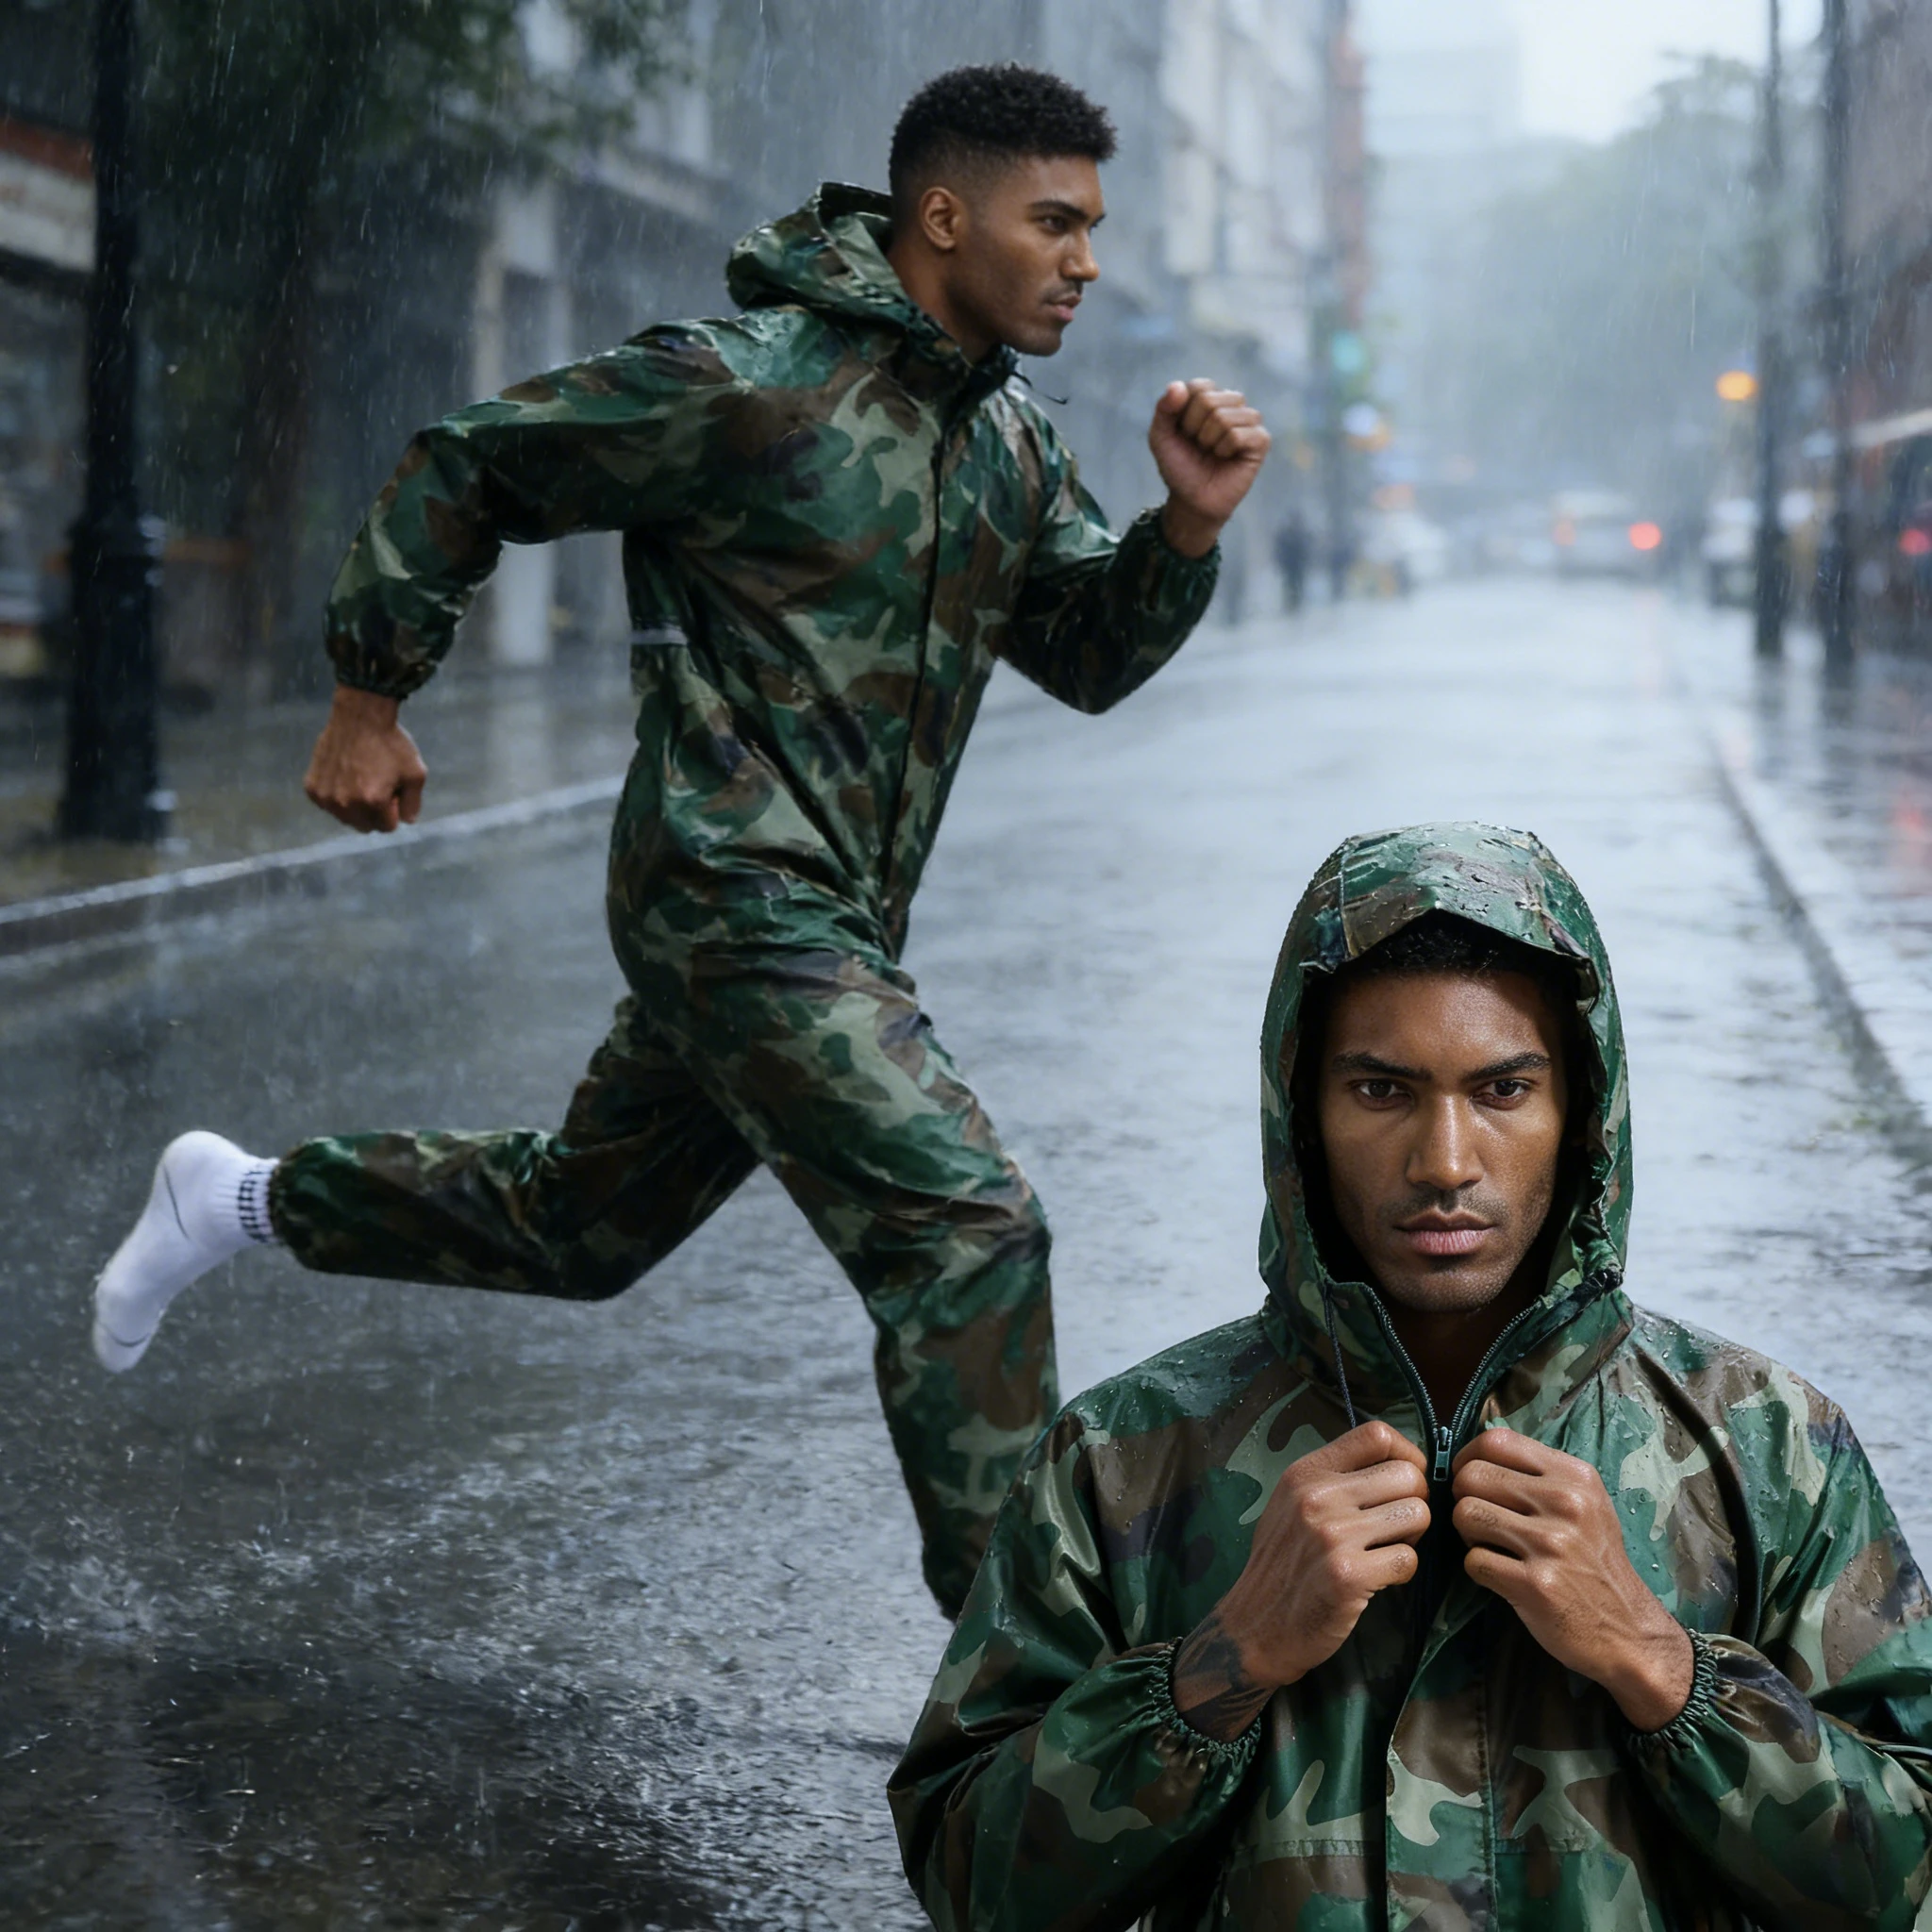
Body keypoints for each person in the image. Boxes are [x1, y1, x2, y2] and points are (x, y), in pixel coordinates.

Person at [89, 64, 1271, 1618]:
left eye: (1089, 227)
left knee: (579, 1224)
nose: (1084, 260)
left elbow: (1088, 654)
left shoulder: (1009, 446)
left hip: (828, 919)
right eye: (1053, 221)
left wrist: (1177, 529)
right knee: (965, 1231)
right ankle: (1038, 1691)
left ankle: (234, 1196)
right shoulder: (743, 381)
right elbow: (474, 459)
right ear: (940, 215)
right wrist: (368, 692)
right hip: (728, 891)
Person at [891, 823, 1932, 1927]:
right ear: (1304, 1112)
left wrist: (1657, 1660)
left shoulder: (1766, 1446)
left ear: (1580, 1115)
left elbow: (1897, 1877)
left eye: (1502, 1089)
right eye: (1381, 1090)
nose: (1443, 1160)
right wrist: (1213, 1668)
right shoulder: (1124, 1457)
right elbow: (968, 1882)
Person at [1273, 507, 1308, 613]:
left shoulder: (1299, 534)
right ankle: (1290, 603)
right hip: (1289, 566)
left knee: (1296, 584)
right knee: (1290, 584)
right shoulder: (1287, 534)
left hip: (1296, 566)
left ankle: (1296, 603)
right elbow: (1279, 550)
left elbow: (1305, 550)